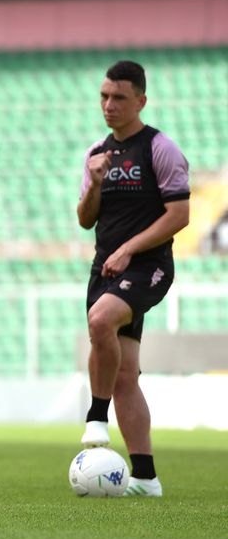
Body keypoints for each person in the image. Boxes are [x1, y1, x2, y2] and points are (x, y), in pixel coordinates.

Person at [77, 60, 190, 497]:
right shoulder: (96, 154)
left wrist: (129, 249)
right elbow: (86, 219)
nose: (109, 105)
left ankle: (95, 416)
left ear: (141, 100)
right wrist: (96, 183)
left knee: (101, 320)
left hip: (148, 266)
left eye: (119, 97)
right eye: (104, 96)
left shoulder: (160, 148)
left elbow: (179, 215)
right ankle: (145, 477)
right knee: (125, 376)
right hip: (104, 267)